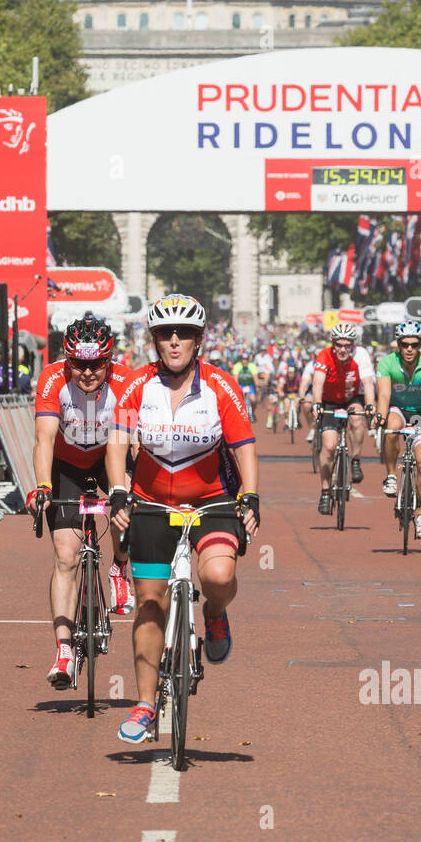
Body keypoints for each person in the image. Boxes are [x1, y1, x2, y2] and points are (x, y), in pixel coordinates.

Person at [106, 294, 258, 745]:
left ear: (199, 339)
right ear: (153, 340)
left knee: (217, 574)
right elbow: (117, 443)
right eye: (165, 334)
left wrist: (250, 496)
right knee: (150, 604)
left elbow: (243, 446)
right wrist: (118, 491)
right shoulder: (136, 386)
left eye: (184, 334)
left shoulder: (220, 386)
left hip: (211, 499)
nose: (174, 341)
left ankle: (214, 613)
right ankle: (145, 704)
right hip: (151, 500)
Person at [27, 316, 135, 689]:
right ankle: (63, 650)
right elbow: (43, 439)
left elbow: (132, 445)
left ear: (109, 359)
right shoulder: (52, 379)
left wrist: (130, 491)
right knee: (66, 555)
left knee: (131, 500)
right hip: (67, 464)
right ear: (67, 359)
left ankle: (120, 567)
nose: (88, 373)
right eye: (79, 363)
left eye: (97, 364)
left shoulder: (126, 382)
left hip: (111, 456)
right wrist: (42, 486)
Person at [374, 321, 421, 539]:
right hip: (398, 409)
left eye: (414, 344)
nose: (409, 349)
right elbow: (384, 395)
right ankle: (392, 475)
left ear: (420, 344)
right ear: (398, 344)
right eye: (404, 344)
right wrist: (380, 416)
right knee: (392, 427)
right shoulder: (386, 363)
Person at [310, 323, 375, 514]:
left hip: (351, 398)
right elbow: (317, 382)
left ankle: (355, 460)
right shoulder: (324, 355)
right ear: (333, 344)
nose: (343, 349)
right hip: (329, 402)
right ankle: (325, 491)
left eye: (347, 345)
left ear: (353, 345)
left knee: (357, 419)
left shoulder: (361, 355)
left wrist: (370, 405)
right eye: (339, 345)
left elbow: (368, 383)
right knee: (329, 446)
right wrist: (316, 404)